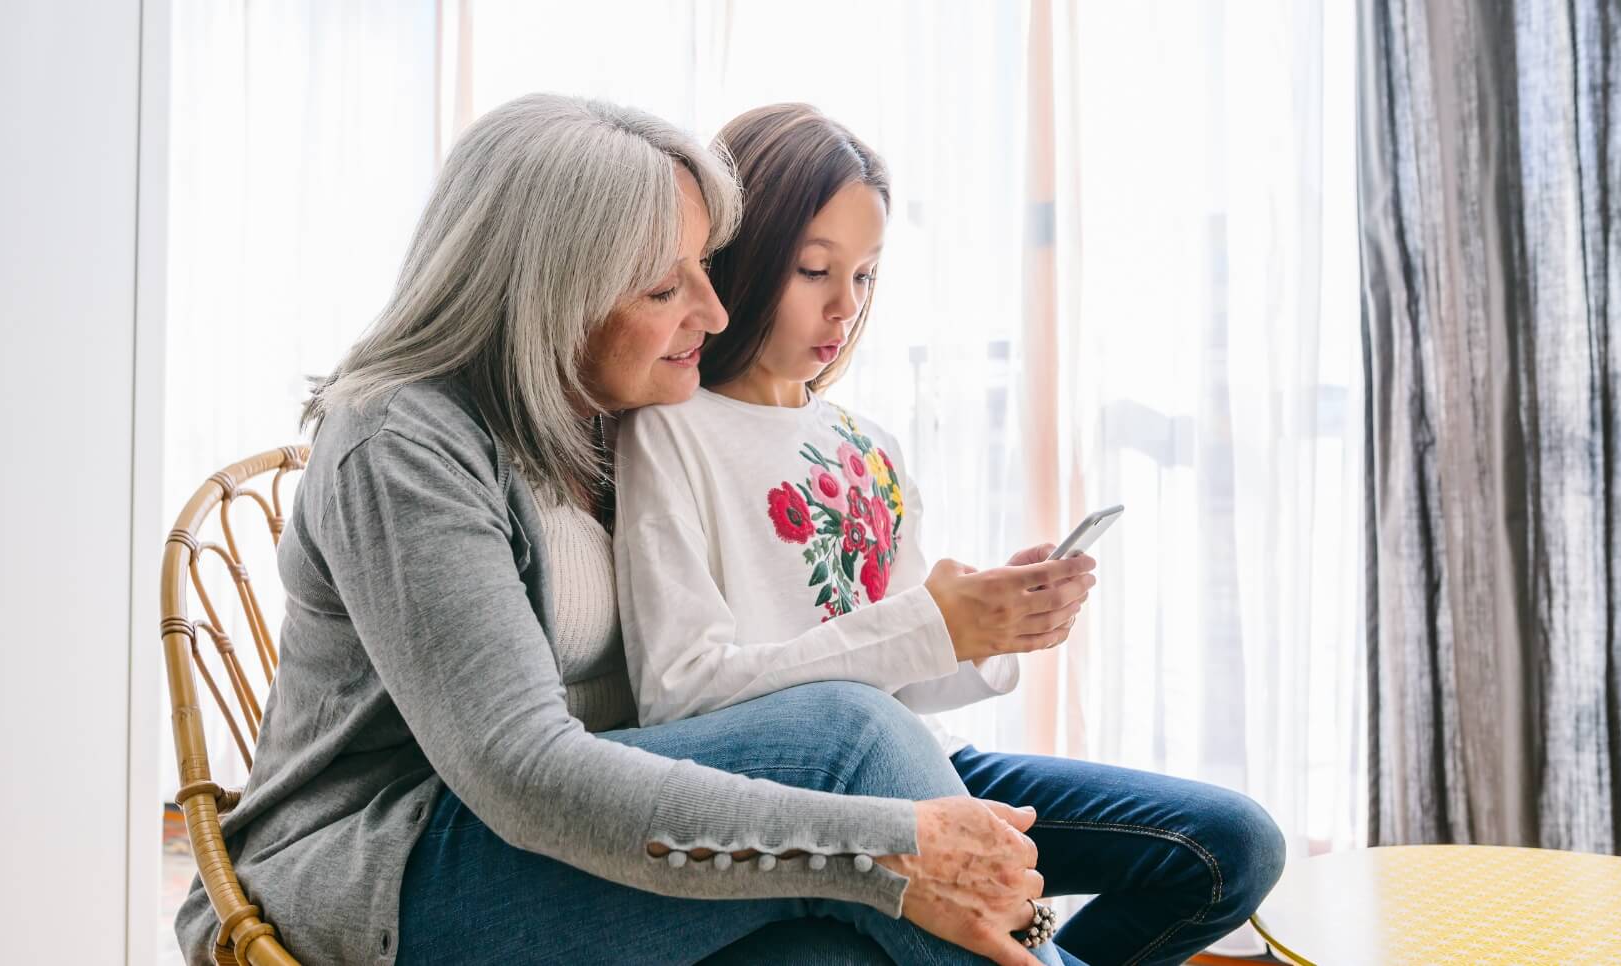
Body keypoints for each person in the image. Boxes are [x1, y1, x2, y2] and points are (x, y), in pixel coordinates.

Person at [173, 94, 1061, 966]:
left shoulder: (609, 417)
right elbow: (524, 775)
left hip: (561, 834)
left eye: (704, 268)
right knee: (846, 740)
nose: (714, 314)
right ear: (549, 294)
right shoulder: (401, 444)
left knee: (831, 949)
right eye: (663, 286)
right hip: (391, 869)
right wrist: (886, 849)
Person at [614, 103, 1287, 965]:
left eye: (864, 277)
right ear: (739, 259)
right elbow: (679, 695)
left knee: (1231, 847)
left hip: (938, 763)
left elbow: (903, 670)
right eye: (813, 270)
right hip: (825, 803)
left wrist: (990, 624)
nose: (843, 309)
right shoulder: (670, 432)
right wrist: (932, 624)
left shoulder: (865, 442)